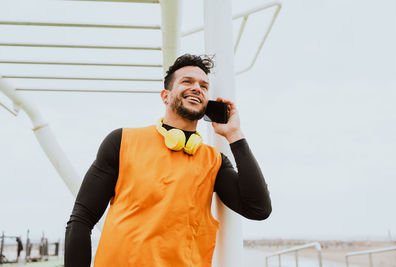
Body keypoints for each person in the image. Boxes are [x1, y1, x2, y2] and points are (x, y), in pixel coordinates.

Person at [65, 54, 272, 267]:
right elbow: (82, 219)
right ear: (165, 96)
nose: (197, 88)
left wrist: (234, 134)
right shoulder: (121, 141)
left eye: (203, 86)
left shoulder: (214, 162)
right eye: (187, 81)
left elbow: (259, 209)